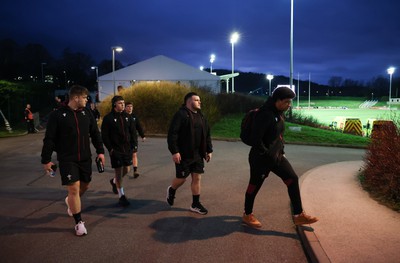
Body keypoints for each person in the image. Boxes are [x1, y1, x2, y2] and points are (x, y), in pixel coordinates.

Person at [242, 86, 318, 228]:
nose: (289, 105)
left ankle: (298, 215)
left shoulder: (278, 113)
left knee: (292, 179)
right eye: (287, 102)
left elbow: (278, 136)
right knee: (254, 185)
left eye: (290, 102)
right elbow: (255, 139)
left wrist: (281, 150)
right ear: (278, 100)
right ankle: (247, 214)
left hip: (276, 157)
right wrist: (266, 153)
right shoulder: (265, 114)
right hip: (260, 158)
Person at [41, 85, 105, 236]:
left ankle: (70, 201)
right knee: (74, 189)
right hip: (67, 159)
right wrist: (46, 160)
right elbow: (49, 139)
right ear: (75, 98)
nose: (86, 100)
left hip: (85, 158)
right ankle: (78, 222)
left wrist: (101, 151)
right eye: (84, 97)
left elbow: (95, 133)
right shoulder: (57, 115)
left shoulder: (87, 113)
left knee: (85, 186)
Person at [166, 92, 213, 215]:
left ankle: (195, 204)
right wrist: (175, 151)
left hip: (197, 154)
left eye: (199, 100)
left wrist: (209, 150)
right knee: (181, 179)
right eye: (196, 100)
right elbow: (172, 134)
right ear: (188, 102)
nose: (199, 102)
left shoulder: (201, 116)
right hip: (184, 154)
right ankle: (172, 190)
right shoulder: (181, 115)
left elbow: (207, 134)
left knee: (197, 177)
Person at [101, 96, 136, 207]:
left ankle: (114, 181)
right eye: (120, 103)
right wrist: (110, 149)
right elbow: (104, 136)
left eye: (123, 103)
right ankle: (122, 196)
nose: (123, 105)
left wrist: (134, 146)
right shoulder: (108, 118)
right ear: (114, 104)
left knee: (127, 169)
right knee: (118, 172)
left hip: (127, 150)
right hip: (116, 150)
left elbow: (133, 132)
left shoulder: (128, 117)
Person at [124, 102, 146, 179]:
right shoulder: (122, 116)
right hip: (125, 140)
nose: (130, 108)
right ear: (125, 107)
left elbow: (139, 127)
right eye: (128, 106)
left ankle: (135, 171)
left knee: (134, 154)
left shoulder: (134, 117)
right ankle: (124, 168)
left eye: (131, 106)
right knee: (126, 156)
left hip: (133, 139)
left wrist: (142, 136)